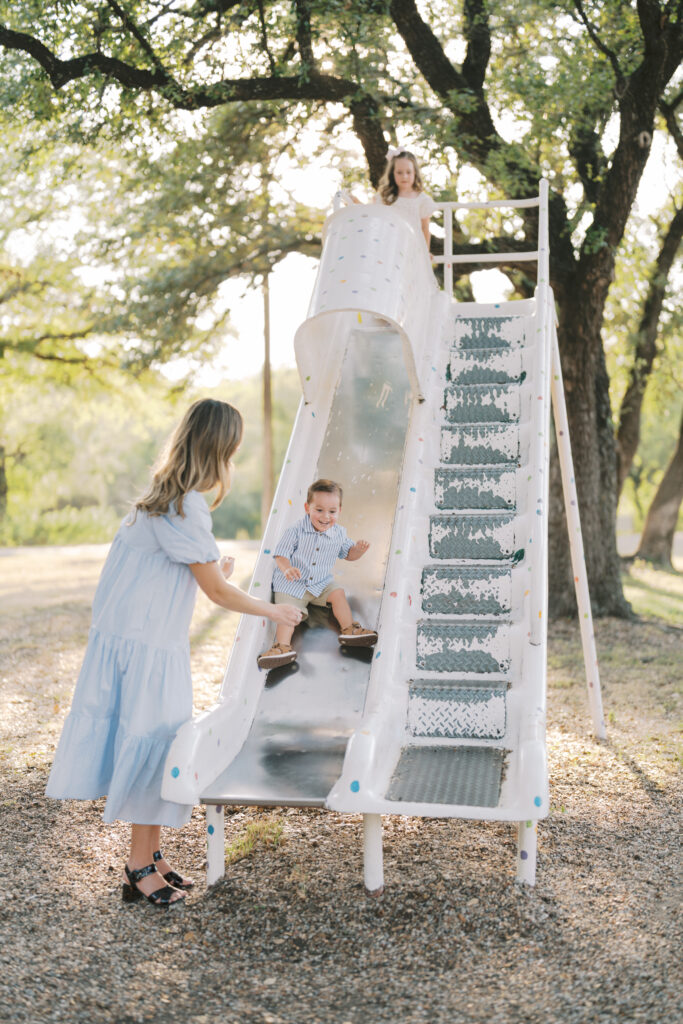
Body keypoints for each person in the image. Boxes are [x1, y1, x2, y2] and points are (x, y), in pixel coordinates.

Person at [46, 399, 302, 907]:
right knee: (156, 746)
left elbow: (176, 577)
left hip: (138, 644)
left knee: (159, 741)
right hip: (147, 651)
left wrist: (215, 573)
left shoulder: (160, 502)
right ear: (219, 450)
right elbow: (218, 595)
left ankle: (154, 856)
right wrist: (275, 614)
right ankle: (139, 865)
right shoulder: (186, 506)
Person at [257, 479, 378, 670]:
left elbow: (349, 554)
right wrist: (287, 568)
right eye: (319, 510)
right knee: (288, 611)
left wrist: (358, 551)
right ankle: (282, 647)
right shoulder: (295, 530)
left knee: (338, 593)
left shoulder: (339, 533)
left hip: (321, 583)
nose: (325, 517)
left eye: (332, 511)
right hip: (292, 584)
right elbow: (281, 555)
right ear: (307, 508)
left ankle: (349, 629)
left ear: (339, 510)